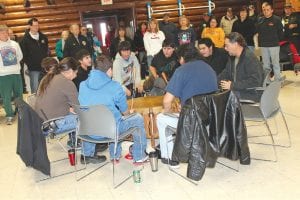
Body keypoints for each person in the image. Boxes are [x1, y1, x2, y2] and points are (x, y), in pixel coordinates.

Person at [156, 44, 218, 167]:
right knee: (176, 114)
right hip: (211, 119)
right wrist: (185, 106)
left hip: (192, 121)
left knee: (161, 118)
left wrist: (166, 112)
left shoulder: (181, 71)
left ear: (182, 58)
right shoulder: (209, 68)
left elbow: (167, 101)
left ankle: (169, 158)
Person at [78, 55, 148, 163]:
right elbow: (125, 112)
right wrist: (130, 113)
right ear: (110, 70)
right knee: (136, 119)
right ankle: (139, 156)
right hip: (109, 132)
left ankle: (87, 154)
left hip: (88, 131)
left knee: (92, 115)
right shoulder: (115, 86)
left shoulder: (82, 85)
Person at [218, 32, 263, 102]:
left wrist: (232, 85)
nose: (225, 48)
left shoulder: (249, 58)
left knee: (220, 100)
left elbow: (255, 81)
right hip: (240, 90)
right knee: (217, 95)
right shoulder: (232, 57)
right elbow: (226, 72)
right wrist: (214, 82)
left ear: (236, 44)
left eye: (227, 46)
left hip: (250, 93)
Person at [0, 24, 23, 125]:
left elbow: (20, 56)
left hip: (16, 72)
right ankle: (9, 115)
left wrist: (13, 61)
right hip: (3, 75)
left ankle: (21, 112)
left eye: (6, 32)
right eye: (2, 33)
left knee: (19, 94)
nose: (4, 34)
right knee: (6, 96)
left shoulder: (15, 44)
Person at [20, 18, 49, 93]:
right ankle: (35, 104)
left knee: (47, 87)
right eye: (35, 25)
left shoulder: (43, 37)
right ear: (29, 26)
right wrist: (30, 64)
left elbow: (47, 50)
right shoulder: (24, 40)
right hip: (33, 68)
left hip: (45, 67)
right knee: (35, 88)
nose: (37, 27)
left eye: (38, 25)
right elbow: (23, 55)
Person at [256, 3, 283, 81]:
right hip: (263, 46)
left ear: (272, 10)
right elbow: (258, 32)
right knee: (266, 65)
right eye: (264, 10)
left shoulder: (277, 19)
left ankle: (278, 80)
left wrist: (277, 41)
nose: (266, 11)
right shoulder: (260, 20)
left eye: (268, 10)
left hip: (274, 45)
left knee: (275, 64)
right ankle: (267, 81)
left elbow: (281, 32)